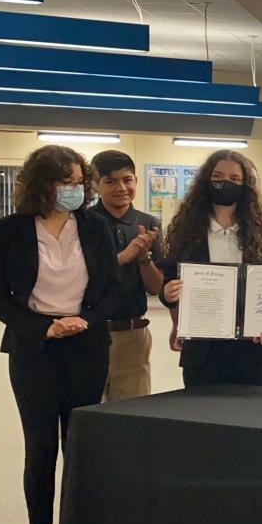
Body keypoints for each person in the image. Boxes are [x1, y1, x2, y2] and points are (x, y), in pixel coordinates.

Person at [0, 144, 118, 524]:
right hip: (34, 351)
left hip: (86, 347)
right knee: (41, 449)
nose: (76, 189)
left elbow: (111, 292)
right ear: (43, 184)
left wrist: (86, 320)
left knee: (81, 447)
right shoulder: (12, 230)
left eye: (80, 181)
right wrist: (45, 327)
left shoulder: (96, 226)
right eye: (67, 181)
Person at [160, 150, 262, 385]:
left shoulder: (261, 233)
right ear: (206, 180)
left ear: (246, 186)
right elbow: (169, 284)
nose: (225, 183)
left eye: (235, 179)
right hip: (203, 350)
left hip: (251, 349)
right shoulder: (186, 231)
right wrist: (167, 294)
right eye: (218, 176)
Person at [90, 150, 164, 401]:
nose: (121, 187)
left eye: (128, 179)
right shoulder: (84, 222)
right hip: (90, 334)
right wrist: (126, 254)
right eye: (110, 181)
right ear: (95, 185)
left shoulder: (150, 223)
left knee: (130, 418)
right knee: (87, 416)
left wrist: (144, 258)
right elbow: (83, 276)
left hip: (133, 333)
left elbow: (156, 288)